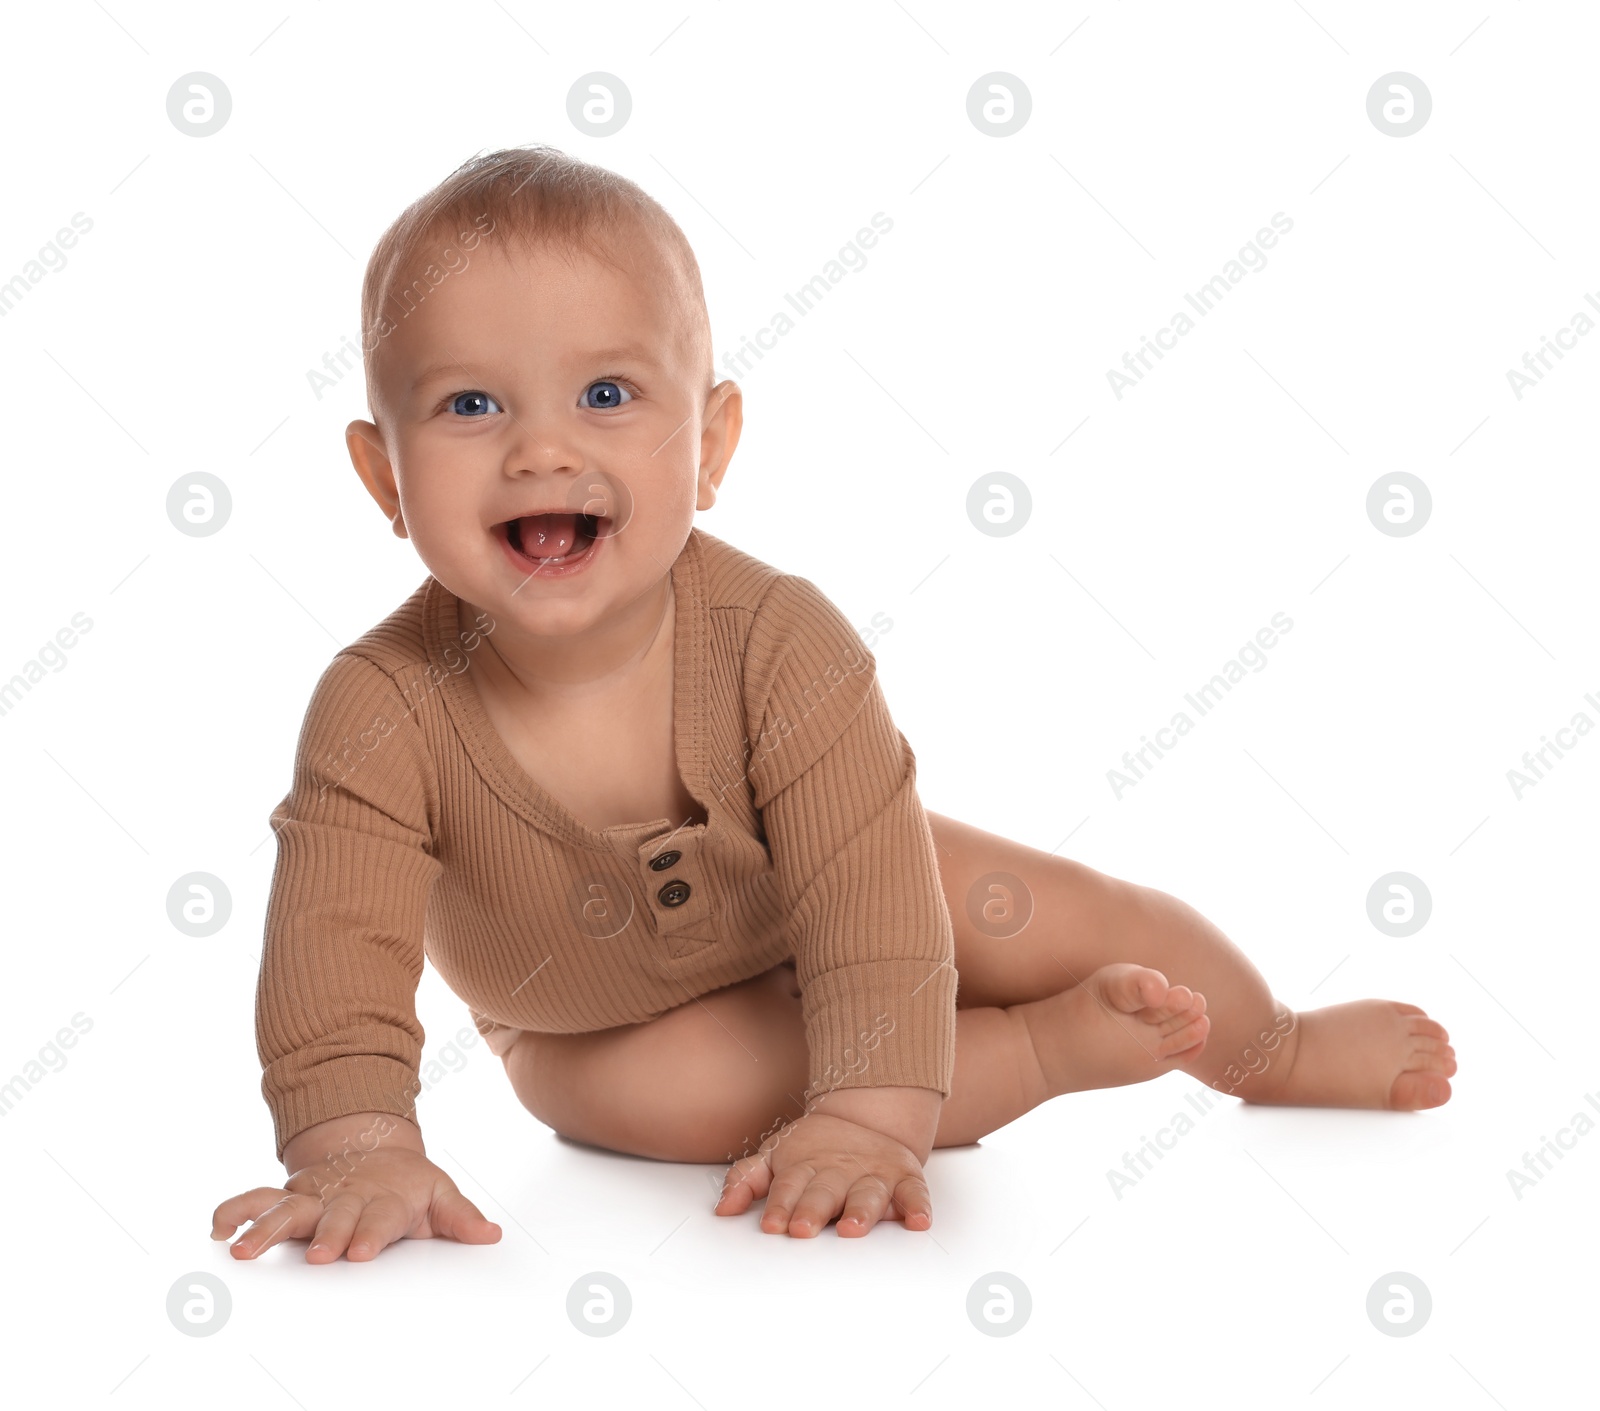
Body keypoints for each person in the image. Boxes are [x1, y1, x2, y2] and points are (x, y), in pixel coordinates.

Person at [211, 146, 1455, 1261]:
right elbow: (337, 943)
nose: (541, 450)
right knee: (695, 1096)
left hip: (826, 890)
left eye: (605, 395)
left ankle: (1272, 1045)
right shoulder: (379, 707)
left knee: (1068, 911)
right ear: (383, 473)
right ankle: (1036, 1054)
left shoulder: (776, 638)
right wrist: (353, 1140)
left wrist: (869, 1119)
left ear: (709, 445)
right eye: (471, 405)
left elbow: (864, 888)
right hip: (581, 1022)